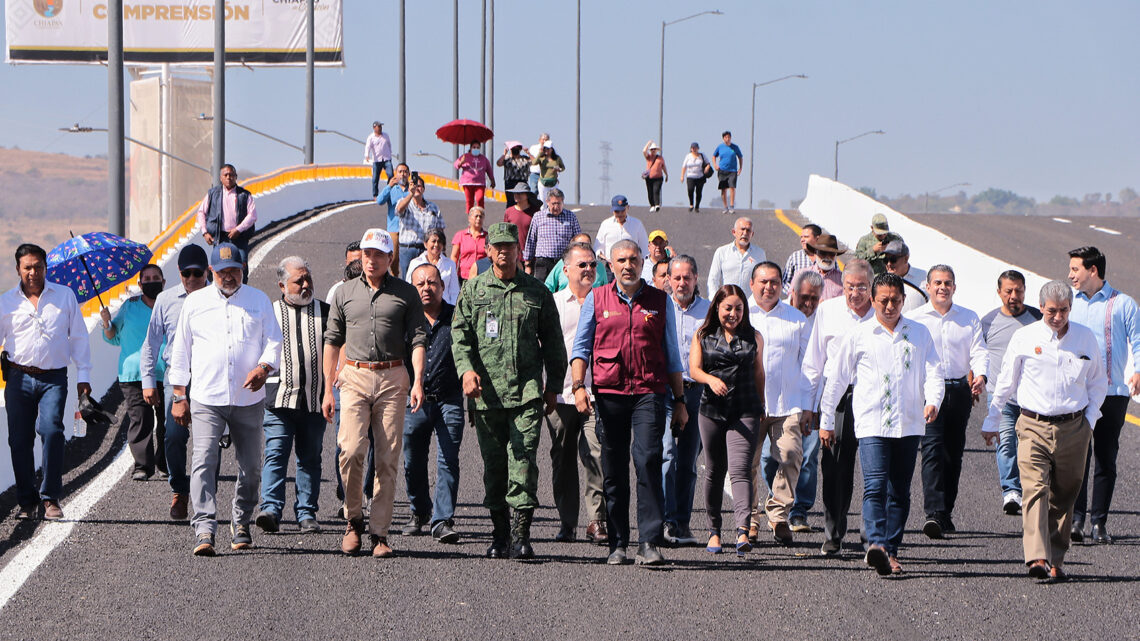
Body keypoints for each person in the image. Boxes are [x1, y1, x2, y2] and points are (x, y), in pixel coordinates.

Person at [452, 222, 566, 560]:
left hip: (527, 393)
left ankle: (521, 534)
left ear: (519, 251)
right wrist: (466, 371)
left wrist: (553, 387)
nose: (504, 252)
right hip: (486, 396)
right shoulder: (473, 291)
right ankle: (499, 533)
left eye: (510, 247)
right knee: (494, 465)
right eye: (498, 246)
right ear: (488, 251)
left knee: (524, 461)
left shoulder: (537, 292)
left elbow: (554, 343)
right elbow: (460, 338)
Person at [570, 240, 688, 566]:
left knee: (648, 459)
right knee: (614, 468)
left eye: (633, 259)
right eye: (621, 260)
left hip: (650, 392)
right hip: (610, 395)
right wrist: (579, 387)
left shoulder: (659, 301)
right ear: (611, 264)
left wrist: (680, 401)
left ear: (642, 262)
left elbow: (673, 357)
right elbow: (580, 349)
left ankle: (648, 542)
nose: (627, 265)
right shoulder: (597, 298)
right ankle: (618, 543)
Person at [982, 280, 1107, 582]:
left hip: (1074, 428)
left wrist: (1089, 421)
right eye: (1052, 311)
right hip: (1033, 425)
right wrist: (992, 418)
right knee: (1035, 489)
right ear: (1041, 308)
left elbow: (1098, 383)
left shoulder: (1085, 338)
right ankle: (1037, 556)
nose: (1058, 317)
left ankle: (1055, 558)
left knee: (1065, 496)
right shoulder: (1025, 337)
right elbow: (1006, 381)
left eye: (1064, 311)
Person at [820, 272, 943, 576]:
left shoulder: (919, 333)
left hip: (909, 423)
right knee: (874, 486)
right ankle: (875, 544)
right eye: (884, 300)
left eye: (896, 300)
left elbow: (935, 372)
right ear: (873, 300)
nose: (890, 306)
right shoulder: (859, 334)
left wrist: (933, 401)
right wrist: (826, 420)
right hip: (871, 422)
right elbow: (836, 381)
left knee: (899, 490)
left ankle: (891, 549)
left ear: (904, 300)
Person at [168, 242, 282, 556]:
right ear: (211, 272)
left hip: (248, 398)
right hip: (207, 396)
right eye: (222, 271)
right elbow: (181, 351)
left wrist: (263, 367)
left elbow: (273, 341)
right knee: (204, 461)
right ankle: (205, 528)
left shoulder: (258, 301)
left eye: (234, 271)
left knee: (251, 467)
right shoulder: (195, 303)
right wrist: (179, 395)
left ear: (243, 270)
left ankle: (241, 520)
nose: (228, 276)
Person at [322, 229, 427, 558]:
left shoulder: (406, 294)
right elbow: (332, 341)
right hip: (352, 376)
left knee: (387, 458)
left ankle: (379, 533)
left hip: (392, 377)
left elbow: (419, 339)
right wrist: (328, 389)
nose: (371, 260)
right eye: (367, 254)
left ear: (390, 258)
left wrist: (418, 380)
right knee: (350, 450)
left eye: (378, 254)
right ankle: (353, 520)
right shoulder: (344, 292)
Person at [1, 243, 93, 521]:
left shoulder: (64, 296)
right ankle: (27, 502)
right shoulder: (6, 302)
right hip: (17, 378)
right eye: (27, 267)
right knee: (19, 440)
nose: (33, 272)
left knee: (52, 430)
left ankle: (50, 497)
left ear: (46, 267)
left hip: (53, 378)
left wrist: (84, 376)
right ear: (18, 268)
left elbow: (79, 337)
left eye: (38, 266)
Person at [906, 265, 987, 539]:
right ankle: (933, 513)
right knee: (931, 451)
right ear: (928, 287)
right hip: (929, 393)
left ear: (955, 287)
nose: (943, 287)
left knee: (953, 453)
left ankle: (946, 512)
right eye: (938, 283)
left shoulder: (969, 318)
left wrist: (981, 376)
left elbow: (979, 351)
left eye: (948, 283)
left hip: (959, 391)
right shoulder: (915, 319)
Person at [1067, 245, 1140, 544]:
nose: (1070, 275)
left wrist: (1138, 371)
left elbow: (1138, 340)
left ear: (1093, 271)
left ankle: (1099, 522)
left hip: (1113, 393)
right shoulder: (1069, 303)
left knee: (1106, 458)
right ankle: (1076, 520)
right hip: (1077, 394)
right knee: (1078, 458)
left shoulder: (1123, 304)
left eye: (1075, 269)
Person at [802, 259, 875, 556]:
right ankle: (833, 531)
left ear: (871, 288)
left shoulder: (882, 313)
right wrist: (810, 407)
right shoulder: (828, 311)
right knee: (834, 468)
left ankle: (872, 533)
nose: (855, 293)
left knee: (875, 469)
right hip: (837, 398)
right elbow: (814, 361)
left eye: (861, 287)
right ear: (841, 286)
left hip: (871, 396)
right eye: (849, 286)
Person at [253, 257, 327, 536]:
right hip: (279, 399)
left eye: (308, 279)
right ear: (282, 285)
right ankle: (270, 509)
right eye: (299, 281)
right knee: (276, 454)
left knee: (310, 458)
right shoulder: (268, 313)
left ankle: (306, 512)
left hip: (314, 399)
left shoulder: (326, 311)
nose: (306, 285)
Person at [689, 284, 765, 556]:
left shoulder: (754, 336)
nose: (733, 314)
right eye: (728, 308)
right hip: (712, 410)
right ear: (717, 309)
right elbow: (694, 369)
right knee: (714, 470)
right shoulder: (703, 334)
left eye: (739, 308)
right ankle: (714, 532)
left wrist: (761, 404)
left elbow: (759, 373)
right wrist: (710, 380)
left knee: (741, 469)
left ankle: (743, 531)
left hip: (745, 409)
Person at [141, 244, 211, 521]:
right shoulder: (166, 300)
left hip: (209, 377)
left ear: (207, 272)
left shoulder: (218, 297)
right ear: (179, 273)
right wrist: (148, 380)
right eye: (186, 274)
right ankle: (179, 491)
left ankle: (207, 497)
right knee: (173, 437)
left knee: (209, 441)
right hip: (177, 378)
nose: (192, 279)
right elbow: (151, 343)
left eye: (197, 273)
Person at [547, 243, 609, 544]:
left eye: (592, 265)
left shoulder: (604, 303)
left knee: (596, 455)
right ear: (566, 269)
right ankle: (567, 521)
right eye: (581, 265)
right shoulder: (554, 303)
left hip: (597, 394)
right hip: (561, 396)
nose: (588, 270)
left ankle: (596, 521)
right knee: (563, 458)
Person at [746, 262, 811, 545]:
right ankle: (749, 519)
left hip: (788, 404)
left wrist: (809, 406)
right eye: (763, 282)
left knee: (791, 456)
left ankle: (778, 513)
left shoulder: (796, 319)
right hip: (749, 405)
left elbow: (809, 366)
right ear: (752, 284)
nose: (768, 287)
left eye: (774, 282)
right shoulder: (740, 315)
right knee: (744, 465)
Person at [401, 263, 465, 544]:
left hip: (449, 400)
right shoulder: (406, 319)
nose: (426, 288)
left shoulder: (457, 317)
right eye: (420, 284)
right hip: (413, 402)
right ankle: (419, 511)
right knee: (412, 460)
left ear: (442, 286)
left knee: (448, 460)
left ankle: (442, 520)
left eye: (431, 282)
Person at [763, 268, 825, 533]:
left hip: (806, 403)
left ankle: (798, 511)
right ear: (793, 293)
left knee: (805, 458)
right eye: (805, 298)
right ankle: (775, 501)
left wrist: (812, 406)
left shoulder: (821, 321)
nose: (809, 304)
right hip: (770, 402)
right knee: (768, 458)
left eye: (815, 299)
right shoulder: (786, 317)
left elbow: (816, 369)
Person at [980, 270, 1041, 516]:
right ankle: (1011, 491)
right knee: (1005, 443)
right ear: (999, 293)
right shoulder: (988, 322)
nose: (1014, 296)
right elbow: (978, 355)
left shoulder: (1038, 319)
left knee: (1032, 446)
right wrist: (975, 380)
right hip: (1000, 397)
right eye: (1008, 291)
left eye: (1018, 290)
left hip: (1032, 397)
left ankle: (1031, 489)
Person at [101, 264, 168, 482]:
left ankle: (166, 461)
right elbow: (113, 336)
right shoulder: (129, 307)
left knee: (168, 421)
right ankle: (143, 465)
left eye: (155, 278)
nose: (151, 282)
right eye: (146, 279)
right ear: (140, 285)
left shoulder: (170, 306)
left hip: (166, 373)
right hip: (133, 373)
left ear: (164, 282)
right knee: (141, 419)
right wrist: (105, 322)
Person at [661, 255, 710, 546]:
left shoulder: (708, 312)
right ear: (668, 279)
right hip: (666, 392)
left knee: (689, 461)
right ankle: (666, 520)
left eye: (687, 277)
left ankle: (682, 523)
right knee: (667, 455)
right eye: (676, 277)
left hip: (697, 393)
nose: (681, 283)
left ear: (696, 279)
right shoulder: (660, 305)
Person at [196, 164, 257, 279]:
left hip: (239, 237)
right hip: (220, 238)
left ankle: (241, 292)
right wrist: (205, 232)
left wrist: (238, 229)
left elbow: (252, 215)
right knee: (218, 267)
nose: (229, 177)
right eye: (226, 175)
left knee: (241, 266)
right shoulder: (212, 194)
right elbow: (201, 213)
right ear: (221, 178)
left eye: (231, 175)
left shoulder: (244, 195)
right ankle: (220, 293)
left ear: (236, 177)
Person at [523, 188, 582, 282]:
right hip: (543, 263)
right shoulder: (538, 217)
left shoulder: (571, 216)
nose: (556, 207)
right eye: (553, 203)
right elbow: (531, 240)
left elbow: (579, 240)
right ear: (547, 202)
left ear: (563, 202)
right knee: (541, 289)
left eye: (559, 203)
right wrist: (527, 264)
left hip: (563, 262)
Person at [395, 174, 446, 278]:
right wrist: (410, 194)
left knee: (427, 277)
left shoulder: (433, 207)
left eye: (419, 186)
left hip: (427, 249)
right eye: (413, 185)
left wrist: (443, 249)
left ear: (423, 189)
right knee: (407, 281)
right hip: (408, 249)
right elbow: (399, 210)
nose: (416, 188)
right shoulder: (404, 203)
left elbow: (440, 229)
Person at [706, 216, 765, 294]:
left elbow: (763, 280)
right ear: (734, 232)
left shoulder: (759, 253)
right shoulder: (721, 252)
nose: (745, 233)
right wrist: (714, 300)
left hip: (749, 304)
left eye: (748, 230)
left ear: (752, 234)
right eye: (742, 229)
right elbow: (713, 280)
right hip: (727, 302)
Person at [594, 194, 649, 272]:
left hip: (631, 266)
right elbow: (598, 246)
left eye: (622, 211)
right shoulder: (605, 224)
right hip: (610, 267)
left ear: (628, 208)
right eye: (617, 211)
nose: (620, 214)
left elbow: (644, 248)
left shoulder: (637, 224)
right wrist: (600, 255)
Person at [376, 162, 412, 277]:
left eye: (405, 172)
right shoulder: (392, 188)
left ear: (409, 174)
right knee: (393, 258)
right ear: (396, 174)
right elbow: (379, 201)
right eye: (400, 171)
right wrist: (389, 186)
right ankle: (395, 277)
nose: (403, 174)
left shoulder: (411, 189)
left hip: (409, 228)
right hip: (394, 228)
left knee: (409, 259)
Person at [544, 232, 610, 293]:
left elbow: (606, 290)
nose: (588, 268)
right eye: (582, 265)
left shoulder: (599, 266)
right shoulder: (562, 263)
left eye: (587, 245)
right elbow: (549, 286)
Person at [408, 228, 460, 305]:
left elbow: (454, 291)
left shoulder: (450, 264)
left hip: (445, 309)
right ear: (425, 244)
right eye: (433, 241)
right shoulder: (415, 263)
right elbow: (409, 289)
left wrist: (453, 311)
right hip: (421, 308)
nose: (436, 244)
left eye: (439, 242)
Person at [883, 241, 928, 312]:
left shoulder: (924, 276)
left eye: (893, 260)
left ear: (906, 258)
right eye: (885, 260)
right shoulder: (881, 282)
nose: (889, 264)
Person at [455, 142, 496, 212]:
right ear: (470, 148)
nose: (476, 149)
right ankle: (470, 217)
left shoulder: (483, 159)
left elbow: (489, 170)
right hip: (468, 183)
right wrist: (461, 162)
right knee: (469, 201)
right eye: (474, 147)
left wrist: (492, 180)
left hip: (480, 183)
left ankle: (480, 215)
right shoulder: (464, 156)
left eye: (477, 147)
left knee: (480, 199)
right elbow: (456, 165)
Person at [451, 206, 488, 281]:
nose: (478, 219)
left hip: (482, 276)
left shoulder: (487, 236)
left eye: (481, 217)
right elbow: (454, 256)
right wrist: (452, 273)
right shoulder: (460, 235)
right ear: (469, 218)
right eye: (476, 216)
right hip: (464, 277)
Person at [783, 224, 820, 296]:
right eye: (801, 237)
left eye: (806, 237)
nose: (802, 240)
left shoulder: (827, 258)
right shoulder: (795, 257)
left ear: (817, 239)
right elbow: (785, 282)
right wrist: (793, 293)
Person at [805, 234, 845, 301]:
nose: (827, 257)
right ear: (815, 253)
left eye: (831, 254)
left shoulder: (843, 279)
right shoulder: (802, 275)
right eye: (823, 253)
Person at [712, 131, 743, 214]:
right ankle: (725, 207)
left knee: (732, 187)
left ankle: (732, 206)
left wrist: (740, 168)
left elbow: (740, 157)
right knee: (723, 189)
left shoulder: (735, 147)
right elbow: (714, 156)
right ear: (723, 138)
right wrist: (715, 165)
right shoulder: (720, 147)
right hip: (722, 170)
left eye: (729, 137)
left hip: (732, 170)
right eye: (726, 137)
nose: (727, 138)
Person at [503, 184, 540, 249]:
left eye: (520, 193)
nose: (516, 195)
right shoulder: (508, 211)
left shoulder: (536, 212)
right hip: (513, 254)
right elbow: (505, 232)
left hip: (531, 253)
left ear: (527, 195)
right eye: (515, 193)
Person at [364, 121, 393, 198]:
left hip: (386, 159)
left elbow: (389, 145)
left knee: (391, 175)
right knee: (375, 178)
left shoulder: (386, 135)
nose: (380, 128)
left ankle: (389, 190)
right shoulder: (371, 137)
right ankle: (375, 195)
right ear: (374, 127)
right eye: (378, 126)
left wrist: (390, 154)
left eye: (381, 126)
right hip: (377, 161)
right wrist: (367, 155)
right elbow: (368, 147)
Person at [498, 142, 533, 206]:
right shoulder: (507, 158)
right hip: (510, 182)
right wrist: (504, 154)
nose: (515, 150)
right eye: (514, 148)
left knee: (523, 201)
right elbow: (499, 163)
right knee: (511, 202)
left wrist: (528, 153)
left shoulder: (525, 158)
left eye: (517, 148)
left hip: (522, 181)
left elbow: (535, 162)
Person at [680, 142, 710, 212]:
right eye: (693, 148)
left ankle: (697, 206)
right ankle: (691, 204)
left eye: (695, 148)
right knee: (690, 189)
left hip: (700, 176)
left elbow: (708, 163)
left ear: (698, 148)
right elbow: (684, 166)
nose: (694, 149)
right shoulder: (688, 156)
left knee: (699, 192)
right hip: (690, 176)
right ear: (691, 149)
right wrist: (682, 176)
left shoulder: (702, 155)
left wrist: (707, 168)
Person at [642, 141, 668, 212]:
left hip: (658, 177)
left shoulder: (660, 158)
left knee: (656, 190)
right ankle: (652, 205)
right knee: (650, 191)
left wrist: (666, 174)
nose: (653, 150)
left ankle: (657, 204)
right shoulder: (648, 157)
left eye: (654, 149)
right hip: (649, 177)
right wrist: (648, 143)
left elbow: (663, 166)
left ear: (656, 150)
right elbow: (644, 151)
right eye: (652, 149)